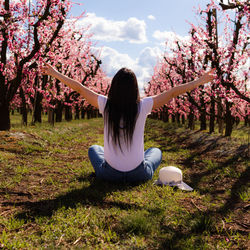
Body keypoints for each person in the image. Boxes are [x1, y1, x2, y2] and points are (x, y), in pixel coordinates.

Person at [41, 64, 215, 183]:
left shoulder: (105, 104)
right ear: (135, 88)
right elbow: (172, 93)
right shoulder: (144, 105)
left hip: (108, 175)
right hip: (139, 175)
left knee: (94, 149)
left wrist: (55, 73)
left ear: (114, 86)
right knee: (155, 151)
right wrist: (199, 81)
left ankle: (111, 166)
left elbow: (79, 88)